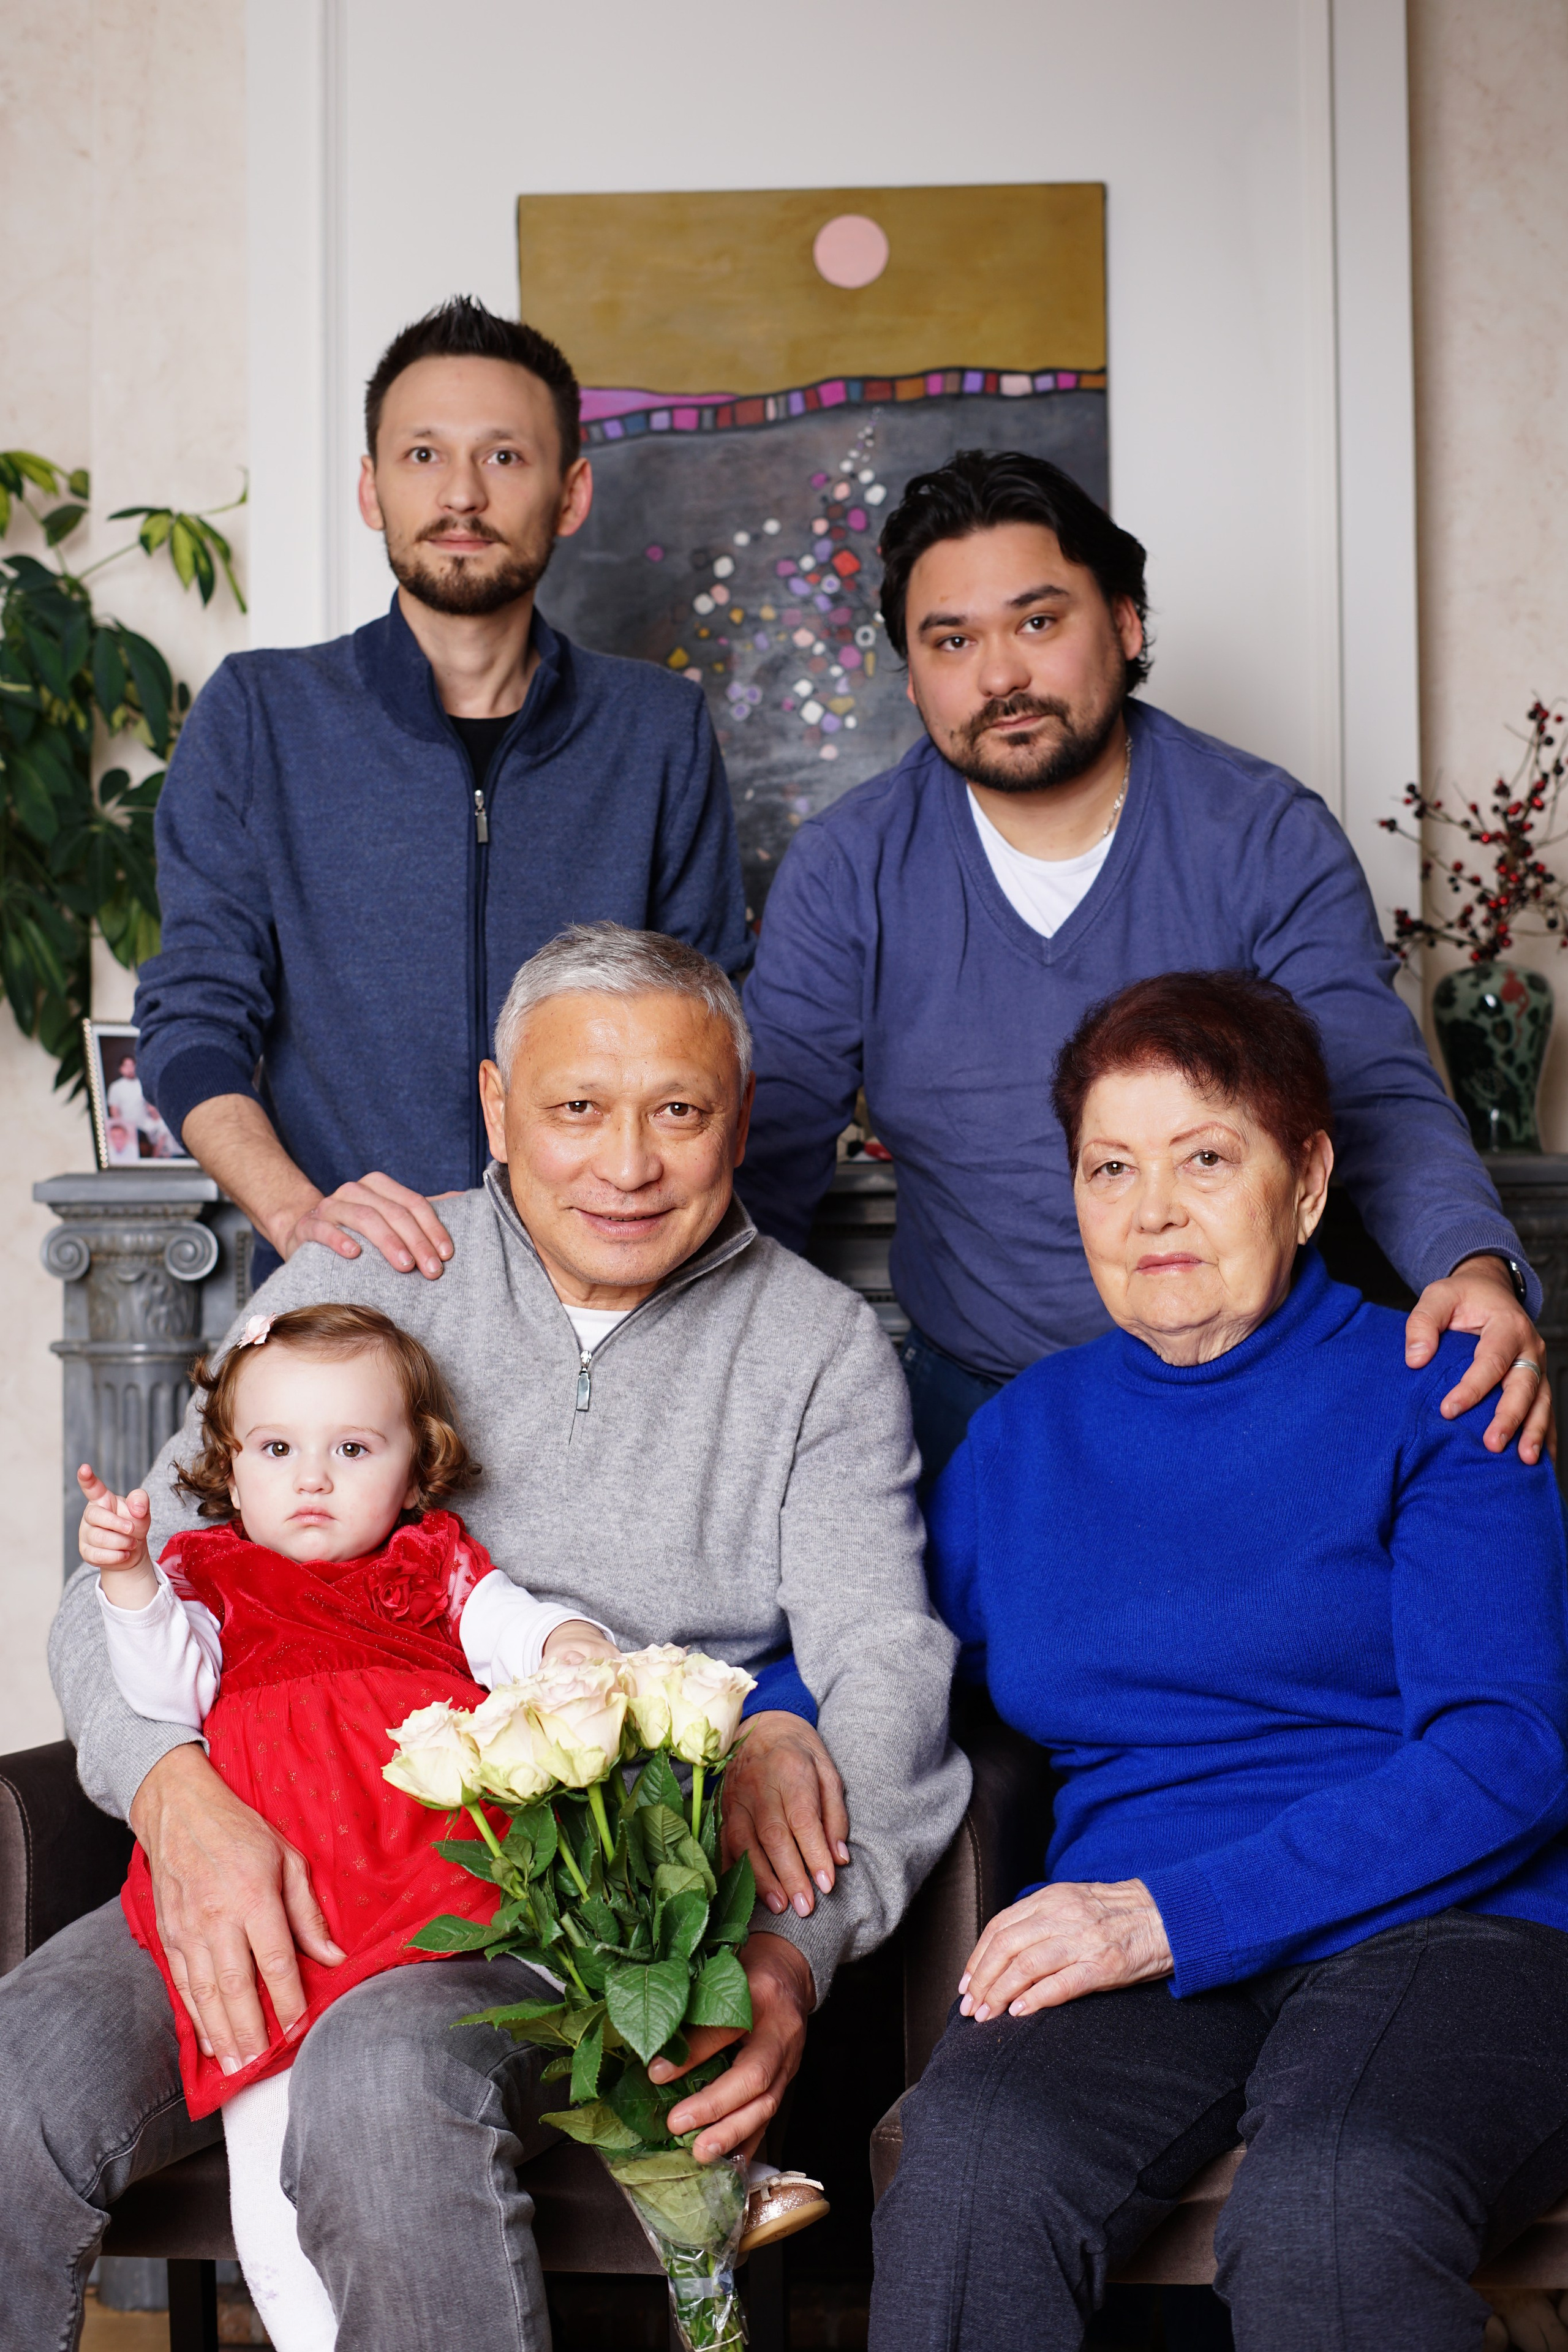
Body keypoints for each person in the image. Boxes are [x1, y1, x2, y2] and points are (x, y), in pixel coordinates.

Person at [6, 924, 967, 2352]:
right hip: (258, 1838)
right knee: (18, 2081)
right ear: (496, 1108)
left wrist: (786, 1954)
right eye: (574, 1108)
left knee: (384, 2087)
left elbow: (884, 1660)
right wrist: (175, 1796)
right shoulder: (372, 1277)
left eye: (678, 1112)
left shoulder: (814, 1347)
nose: (624, 1164)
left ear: (743, 1122)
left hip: (542, 1899)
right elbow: (131, 1578)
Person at [870, 971, 1568, 2352]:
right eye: (1108, 1168)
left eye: (1205, 1158)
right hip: (1139, 1943)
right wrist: (759, 1729)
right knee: (963, 2175)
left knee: (1329, 2200)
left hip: (1449, 1925)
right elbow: (875, 1651)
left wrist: (1165, 1914)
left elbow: (1508, 1752)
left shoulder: (1439, 1390)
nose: (1152, 1212)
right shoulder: (1023, 1439)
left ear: (1305, 1183)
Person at [737, 450, 1551, 1490]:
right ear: (913, 673)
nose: (1000, 676)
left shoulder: (1262, 834)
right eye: (953, 640)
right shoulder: (849, 867)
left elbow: (1375, 1099)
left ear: (1124, 624)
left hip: (1252, 1395)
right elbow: (770, 1152)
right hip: (978, 1412)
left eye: (1039, 622)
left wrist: (1475, 1269)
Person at [132, 296, 748, 1289]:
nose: (461, 495)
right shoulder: (259, 714)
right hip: (346, 1296)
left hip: (606, 1297)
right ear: (372, 490)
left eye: (504, 457)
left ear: (571, 492)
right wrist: (300, 1216)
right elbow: (195, 1018)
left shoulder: (656, 728)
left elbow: (710, 1027)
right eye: (423, 456)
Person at [80, 1301, 625, 2350]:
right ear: (232, 1476)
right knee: (269, 2149)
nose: (312, 1478)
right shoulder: (213, 1583)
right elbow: (163, 1690)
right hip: (275, 1914)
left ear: (418, 1470)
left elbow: (507, 1622)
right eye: (278, 1450)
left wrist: (568, 1644)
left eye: (354, 1448)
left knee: (385, 2103)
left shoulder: (432, 1567)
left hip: (429, 1886)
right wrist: (129, 1582)